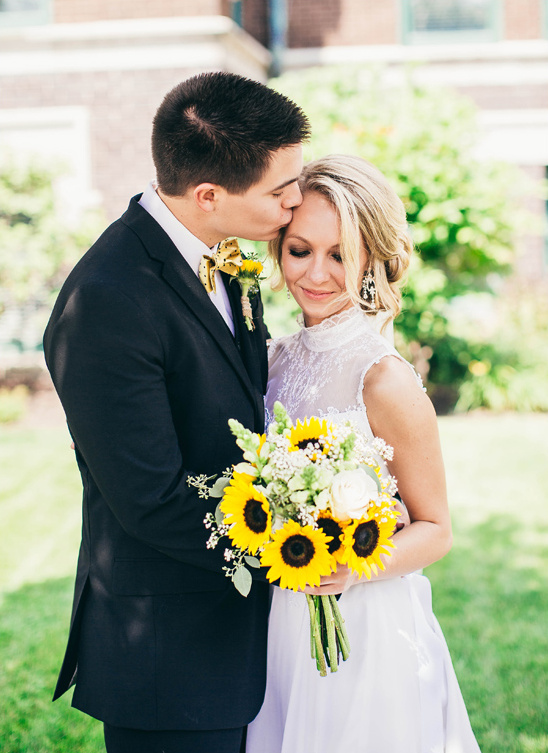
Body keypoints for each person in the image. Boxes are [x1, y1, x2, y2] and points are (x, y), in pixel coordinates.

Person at [43, 71, 309, 753]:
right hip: (170, 656)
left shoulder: (229, 257)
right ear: (209, 195)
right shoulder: (108, 300)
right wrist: (301, 543)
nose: (296, 201)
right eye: (281, 190)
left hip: (250, 635)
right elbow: (151, 499)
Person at [246, 154, 482, 752]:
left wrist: (349, 566)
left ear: (372, 258)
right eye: (300, 250)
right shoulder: (274, 359)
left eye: (340, 255)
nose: (316, 274)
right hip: (281, 619)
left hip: (366, 625)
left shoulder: (382, 377)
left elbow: (435, 529)